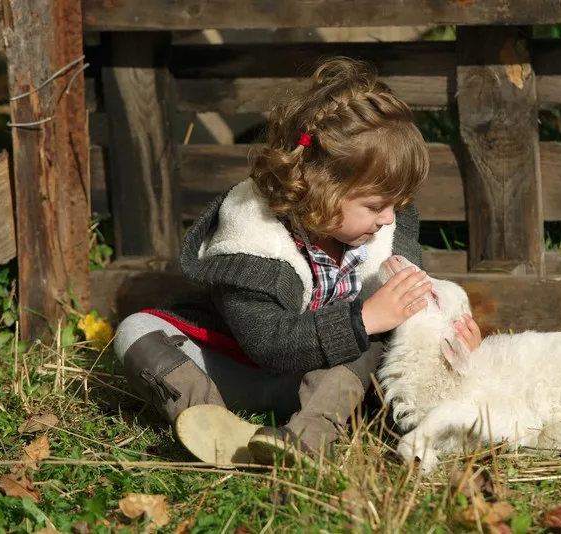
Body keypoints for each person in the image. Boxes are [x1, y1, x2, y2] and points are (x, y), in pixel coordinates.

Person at [112, 56, 482, 468]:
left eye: (399, 203)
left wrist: (450, 337)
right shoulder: (252, 243)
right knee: (135, 329)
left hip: (331, 386)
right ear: (319, 189)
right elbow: (268, 345)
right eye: (377, 204)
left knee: (377, 323)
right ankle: (211, 421)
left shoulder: (384, 231)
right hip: (244, 369)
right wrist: (361, 320)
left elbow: (412, 312)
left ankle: (307, 436)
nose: (390, 218)